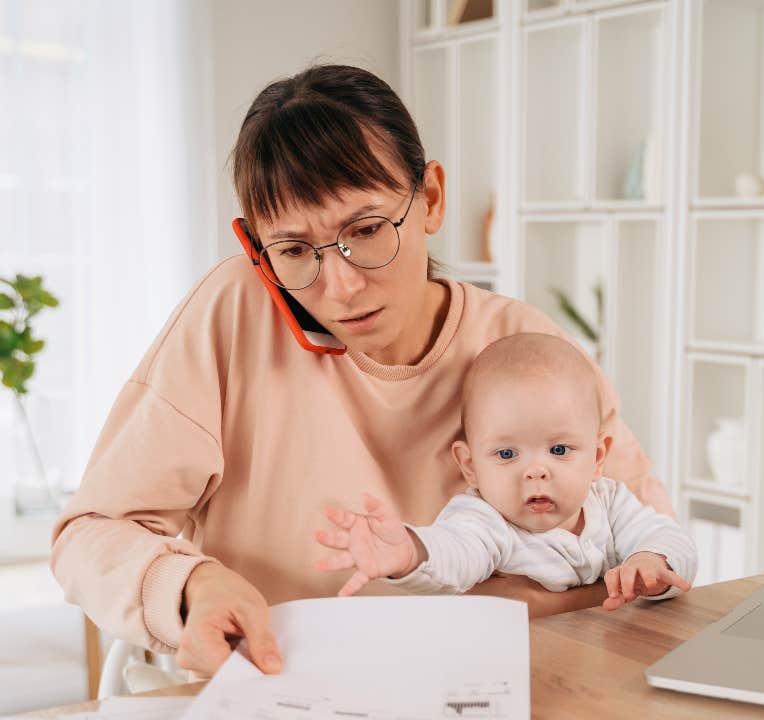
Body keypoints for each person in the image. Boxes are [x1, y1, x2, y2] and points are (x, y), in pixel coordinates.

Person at [51, 64, 674, 678]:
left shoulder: (525, 347)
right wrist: (191, 585)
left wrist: (528, 605)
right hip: (282, 689)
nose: (342, 285)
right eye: (295, 250)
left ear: (429, 198)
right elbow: (90, 534)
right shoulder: (235, 312)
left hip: (492, 692)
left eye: (368, 229)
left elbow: (652, 557)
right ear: (259, 248)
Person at [315, 333, 696, 607]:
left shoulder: (610, 503)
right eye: (507, 454)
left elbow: (671, 539)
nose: (535, 472)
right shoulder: (486, 521)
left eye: (559, 449)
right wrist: (411, 551)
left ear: (598, 458)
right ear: (470, 466)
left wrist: (651, 561)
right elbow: (455, 554)